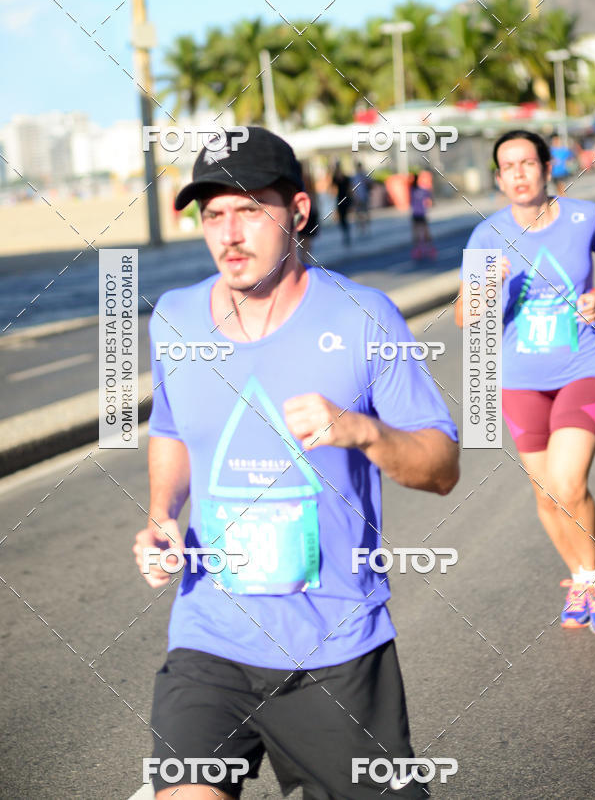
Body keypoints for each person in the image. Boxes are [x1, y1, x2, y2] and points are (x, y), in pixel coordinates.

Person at [133, 126, 460, 799]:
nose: (229, 232)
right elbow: (170, 427)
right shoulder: (175, 317)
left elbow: (442, 465)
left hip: (333, 652)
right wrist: (162, 513)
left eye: (250, 209)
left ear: (300, 212)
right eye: (213, 213)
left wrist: (361, 430)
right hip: (210, 637)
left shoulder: (365, 316)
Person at [455, 129, 595, 635]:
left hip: (584, 366)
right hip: (518, 379)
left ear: (546, 168)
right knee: (545, 497)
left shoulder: (585, 218)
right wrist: (485, 288)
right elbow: (462, 318)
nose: (518, 173)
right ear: (498, 178)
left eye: (527, 163)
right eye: (507, 166)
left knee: (568, 483)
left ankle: (594, 579)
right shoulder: (487, 236)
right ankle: (583, 576)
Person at [408, 172, 436, 261]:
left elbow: (409, 202)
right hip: (422, 214)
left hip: (415, 214)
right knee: (426, 232)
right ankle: (430, 249)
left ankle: (417, 250)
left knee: (416, 233)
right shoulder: (423, 189)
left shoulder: (411, 190)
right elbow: (431, 199)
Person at [331, 160, 352, 246]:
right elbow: (332, 189)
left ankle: (346, 234)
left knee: (344, 217)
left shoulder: (346, 178)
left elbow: (349, 189)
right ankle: (346, 233)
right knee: (342, 218)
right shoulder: (335, 178)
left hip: (344, 199)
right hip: (340, 199)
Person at [349, 161, 372, 234]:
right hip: (358, 197)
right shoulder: (354, 177)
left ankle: (366, 227)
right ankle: (361, 227)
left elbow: (370, 184)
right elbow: (352, 188)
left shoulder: (364, 176)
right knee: (359, 214)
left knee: (365, 213)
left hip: (364, 197)